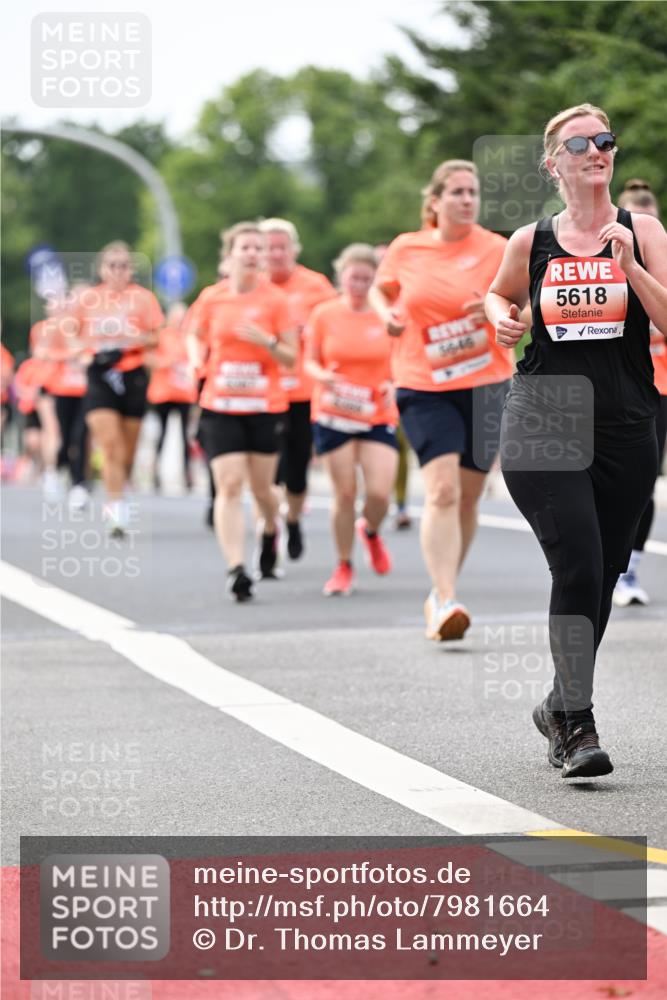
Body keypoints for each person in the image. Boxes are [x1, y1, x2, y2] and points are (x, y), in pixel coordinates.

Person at [486, 104, 667, 779]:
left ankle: (559, 702)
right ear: (552, 163)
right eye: (581, 143)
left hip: (626, 421)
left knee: (604, 568)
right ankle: (575, 726)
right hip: (543, 414)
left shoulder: (641, 229)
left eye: (606, 141)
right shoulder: (528, 240)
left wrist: (631, 267)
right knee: (580, 567)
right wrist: (499, 320)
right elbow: (497, 296)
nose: (598, 150)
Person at [370, 160, 513, 640]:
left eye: (472, 192)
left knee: (469, 497)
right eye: (456, 192)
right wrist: (387, 313)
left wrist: (501, 310)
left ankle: (441, 592)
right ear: (434, 202)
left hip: (486, 382)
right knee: (443, 491)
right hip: (423, 383)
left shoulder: (497, 247)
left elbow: (530, 300)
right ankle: (446, 596)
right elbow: (381, 289)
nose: (467, 200)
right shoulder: (406, 248)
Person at [186, 222, 296, 602]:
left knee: (263, 490)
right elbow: (192, 333)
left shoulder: (276, 301)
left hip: (264, 406)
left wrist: (267, 341)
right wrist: (194, 359)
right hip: (220, 405)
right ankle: (236, 568)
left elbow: (291, 357)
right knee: (229, 485)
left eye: (258, 249)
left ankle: (269, 533)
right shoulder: (212, 298)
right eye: (245, 247)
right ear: (229, 255)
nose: (252, 254)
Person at [305, 243, 398, 595]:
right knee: (344, 494)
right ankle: (343, 565)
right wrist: (322, 376)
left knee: (379, 493)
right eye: (353, 277)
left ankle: (370, 531)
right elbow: (309, 360)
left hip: (376, 412)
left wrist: (394, 382)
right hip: (334, 412)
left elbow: (403, 357)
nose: (359, 283)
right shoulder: (324, 314)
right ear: (341, 277)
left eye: (366, 277)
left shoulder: (385, 314)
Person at [73, 241, 164, 536]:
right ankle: (116, 513)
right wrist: (89, 354)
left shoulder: (143, 299)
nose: (118, 271)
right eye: (112, 265)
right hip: (101, 377)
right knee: (110, 447)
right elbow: (71, 338)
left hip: (132, 374)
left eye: (124, 265)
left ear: (131, 269)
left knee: (127, 453)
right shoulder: (88, 299)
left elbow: (157, 336)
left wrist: (130, 340)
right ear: (101, 269)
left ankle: (119, 491)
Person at [259, 218, 336, 560]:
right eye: (269, 248)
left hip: (304, 392)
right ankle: (268, 530)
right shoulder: (250, 288)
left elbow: (338, 328)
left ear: (294, 250)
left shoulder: (316, 286)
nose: (276, 254)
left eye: (282, 247)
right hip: (261, 393)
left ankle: (291, 519)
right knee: (266, 472)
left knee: (296, 471)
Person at [612, 181, 666, 606]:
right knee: (625, 482)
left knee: (644, 482)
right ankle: (616, 566)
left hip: (662, 388)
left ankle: (626, 571)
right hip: (628, 384)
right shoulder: (603, 262)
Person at [147, 301, 197, 492]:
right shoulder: (161, 336)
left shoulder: (188, 337)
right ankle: (155, 471)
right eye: (177, 317)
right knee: (161, 434)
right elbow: (147, 358)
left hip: (184, 394)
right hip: (163, 392)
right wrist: (166, 362)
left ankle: (187, 474)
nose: (180, 321)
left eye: (183, 317)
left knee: (186, 436)